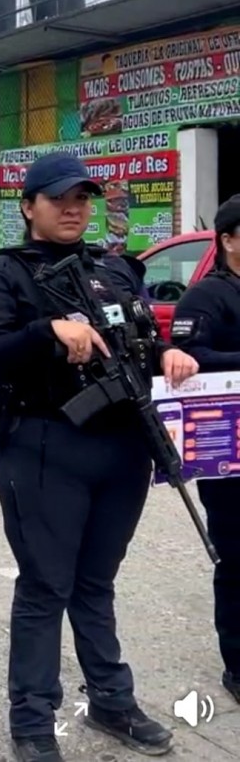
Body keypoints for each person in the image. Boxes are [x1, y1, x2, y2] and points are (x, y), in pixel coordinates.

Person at [0, 153, 198, 762]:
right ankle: (32, 719)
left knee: (96, 582)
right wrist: (47, 332)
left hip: (122, 448)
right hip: (45, 444)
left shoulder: (114, 269)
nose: (72, 209)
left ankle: (111, 701)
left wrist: (169, 355)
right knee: (46, 585)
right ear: (29, 206)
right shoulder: (8, 272)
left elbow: (140, 339)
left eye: (81, 200)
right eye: (58, 199)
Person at [168, 195, 240, 706]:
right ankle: (237, 664)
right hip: (230, 450)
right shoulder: (207, 296)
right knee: (237, 559)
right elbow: (190, 358)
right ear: (228, 240)